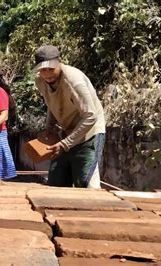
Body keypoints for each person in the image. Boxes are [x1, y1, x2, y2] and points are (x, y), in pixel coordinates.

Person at [33, 45, 106, 188]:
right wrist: (49, 129)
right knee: (56, 181)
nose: (47, 74)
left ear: (59, 62)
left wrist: (66, 144)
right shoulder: (40, 81)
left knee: (86, 184)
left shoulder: (74, 81)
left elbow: (91, 116)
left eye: (51, 69)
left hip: (89, 133)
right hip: (65, 133)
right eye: (43, 70)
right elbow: (51, 103)